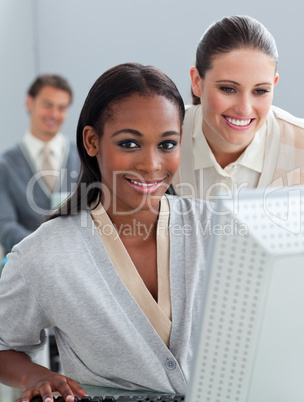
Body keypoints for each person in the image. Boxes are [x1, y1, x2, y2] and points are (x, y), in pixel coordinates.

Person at [0, 63, 213, 402]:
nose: (151, 164)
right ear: (92, 141)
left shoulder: (216, 230)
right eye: (129, 143)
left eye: (167, 144)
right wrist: (36, 375)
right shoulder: (44, 253)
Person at [172, 15, 304, 200]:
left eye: (260, 91)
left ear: (274, 85)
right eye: (228, 89)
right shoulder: (162, 139)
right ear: (197, 82)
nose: (244, 109)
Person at [0, 74, 80, 259]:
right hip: (25, 268)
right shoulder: (5, 166)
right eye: (47, 105)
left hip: (76, 268)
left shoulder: (84, 159)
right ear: (30, 103)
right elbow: (5, 227)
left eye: (61, 108)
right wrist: (48, 248)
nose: (54, 114)